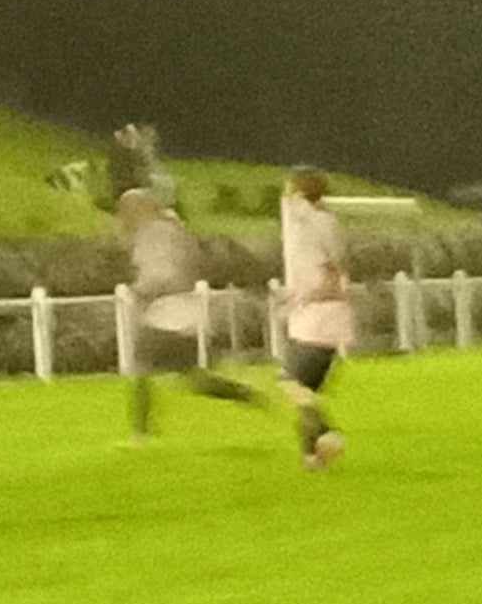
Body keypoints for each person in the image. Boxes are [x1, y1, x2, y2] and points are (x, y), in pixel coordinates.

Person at [117, 188, 262, 440]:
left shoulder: (155, 233)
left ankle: (141, 434)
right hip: (181, 311)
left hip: (167, 311)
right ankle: (244, 393)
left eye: (127, 209)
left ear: (141, 208)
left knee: (141, 368)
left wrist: (142, 291)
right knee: (194, 379)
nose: (123, 215)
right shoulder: (170, 230)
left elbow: (165, 275)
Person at [277, 169, 352, 469]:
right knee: (305, 394)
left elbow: (333, 272)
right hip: (316, 318)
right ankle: (312, 458)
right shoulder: (321, 222)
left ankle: (328, 432)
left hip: (319, 318)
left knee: (290, 383)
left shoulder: (311, 223)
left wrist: (307, 295)